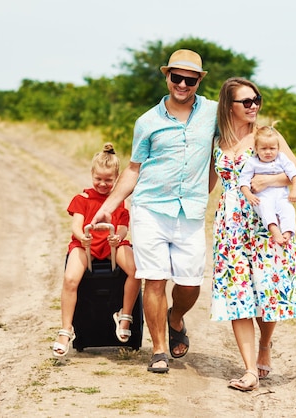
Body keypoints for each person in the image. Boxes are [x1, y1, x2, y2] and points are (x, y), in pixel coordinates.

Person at [90, 49, 218, 373]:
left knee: (190, 284)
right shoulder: (147, 122)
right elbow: (133, 169)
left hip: (189, 211)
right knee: (155, 280)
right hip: (149, 208)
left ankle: (176, 318)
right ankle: (159, 350)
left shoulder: (215, 114)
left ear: (199, 81)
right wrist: (109, 206)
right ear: (167, 76)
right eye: (177, 77)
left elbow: (236, 144)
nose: (183, 85)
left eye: (191, 80)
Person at [211, 77, 296, 391]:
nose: (253, 106)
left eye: (256, 99)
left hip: (264, 223)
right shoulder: (218, 141)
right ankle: (249, 371)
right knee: (237, 295)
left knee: (267, 291)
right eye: (246, 101)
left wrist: (266, 183)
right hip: (230, 227)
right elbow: (209, 183)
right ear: (229, 106)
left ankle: (265, 345)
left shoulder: (267, 136)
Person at [52, 143, 139, 358]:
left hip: (111, 244)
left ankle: (125, 314)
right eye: (98, 179)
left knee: (136, 270)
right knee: (70, 279)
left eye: (108, 180)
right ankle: (66, 330)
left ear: (117, 178)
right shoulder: (83, 199)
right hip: (86, 244)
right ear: (92, 174)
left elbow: (123, 228)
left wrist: (117, 237)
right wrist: (83, 237)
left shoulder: (119, 201)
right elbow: (76, 226)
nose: (102, 184)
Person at [239, 121, 296, 245]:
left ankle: (287, 233)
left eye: (272, 148)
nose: (268, 152)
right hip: (263, 197)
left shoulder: (282, 158)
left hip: (282, 196)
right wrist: (249, 195)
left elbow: (295, 174)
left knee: (288, 211)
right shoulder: (253, 162)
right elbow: (243, 181)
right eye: (263, 149)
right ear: (256, 149)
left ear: (278, 148)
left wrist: (295, 190)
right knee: (265, 209)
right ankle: (275, 231)